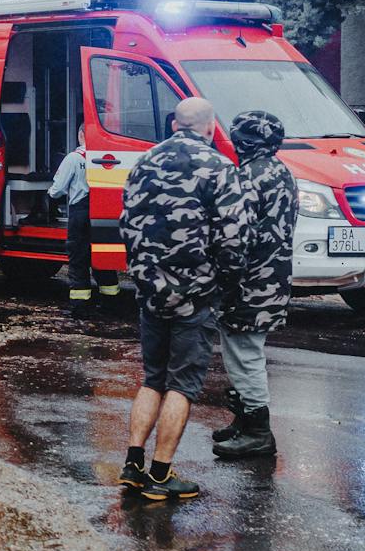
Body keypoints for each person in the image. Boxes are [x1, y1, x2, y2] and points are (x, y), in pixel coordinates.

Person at [118, 96, 249, 502]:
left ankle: (133, 464)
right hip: (195, 293)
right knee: (182, 384)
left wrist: (143, 274)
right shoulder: (219, 167)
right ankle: (160, 474)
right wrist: (224, 284)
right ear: (210, 127)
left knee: (152, 378)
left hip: (149, 290)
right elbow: (234, 239)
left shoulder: (144, 163)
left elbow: (127, 223)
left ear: (175, 125)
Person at [211, 110, 297, 461]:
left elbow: (235, 238)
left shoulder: (246, 176)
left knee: (243, 354)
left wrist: (223, 283)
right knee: (247, 352)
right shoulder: (282, 172)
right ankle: (245, 421)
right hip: (274, 277)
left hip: (249, 280)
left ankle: (258, 432)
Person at [47, 124, 118, 315]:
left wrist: (48, 194)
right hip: (102, 211)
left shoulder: (74, 158)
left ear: (80, 135)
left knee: (79, 259)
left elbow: (57, 190)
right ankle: (111, 303)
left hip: (80, 212)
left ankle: (80, 307)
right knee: (102, 258)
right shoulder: (106, 158)